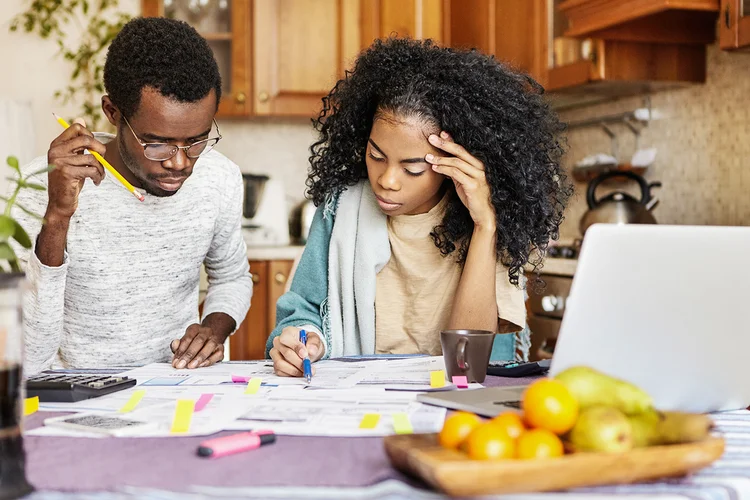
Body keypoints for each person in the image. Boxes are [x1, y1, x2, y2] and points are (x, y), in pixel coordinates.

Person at [267, 38, 571, 377]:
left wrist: (486, 226)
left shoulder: (487, 221)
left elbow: (468, 364)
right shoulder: (340, 210)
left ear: (453, 162)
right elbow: (304, 310)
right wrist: (301, 339)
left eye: (412, 168)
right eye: (375, 155)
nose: (387, 180)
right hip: (360, 399)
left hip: (453, 400)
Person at [14, 17, 253, 374]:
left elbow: (232, 276)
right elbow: (27, 357)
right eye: (157, 143)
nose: (180, 163)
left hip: (178, 394)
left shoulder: (219, 178)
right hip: (74, 403)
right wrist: (57, 217)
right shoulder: (38, 188)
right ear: (112, 113)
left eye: (197, 140)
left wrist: (212, 330)